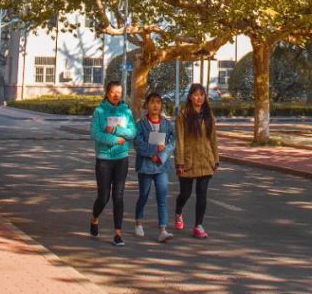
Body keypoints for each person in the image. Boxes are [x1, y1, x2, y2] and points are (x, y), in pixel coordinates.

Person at [89, 80, 136, 246]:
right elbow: (95, 133)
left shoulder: (126, 111)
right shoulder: (99, 111)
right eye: (113, 92)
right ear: (107, 93)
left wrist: (116, 130)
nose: (116, 95)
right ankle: (94, 218)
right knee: (104, 197)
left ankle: (117, 233)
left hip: (121, 158)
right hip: (104, 159)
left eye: (119, 92)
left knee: (119, 195)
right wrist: (115, 139)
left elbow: (132, 132)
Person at [174, 83, 218, 239]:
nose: (199, 98)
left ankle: (198, 225)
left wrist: (215, 159)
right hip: (188, 160)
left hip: (205, 159)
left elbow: (213, 139)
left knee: (202, 194)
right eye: (196, 94)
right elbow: (179, 140)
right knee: (185, 193)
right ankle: (178, 211)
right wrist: (179, 162)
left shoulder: (208, 115)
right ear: (190, 97)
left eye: (202, 94)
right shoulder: (183, 115)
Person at [133, 92, 175, 242]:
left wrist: (162, 154)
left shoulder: (166, 124)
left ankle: (163, 230)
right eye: (152, 102)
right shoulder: (141, 124)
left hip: (161, 166)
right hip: (146, 165)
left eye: (158, 102)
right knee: (143, 195)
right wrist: (153, 151)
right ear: (147, 105)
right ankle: (138, 222)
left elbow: (173, 141)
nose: (155, 105)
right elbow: (137, 143)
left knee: (162, 197)